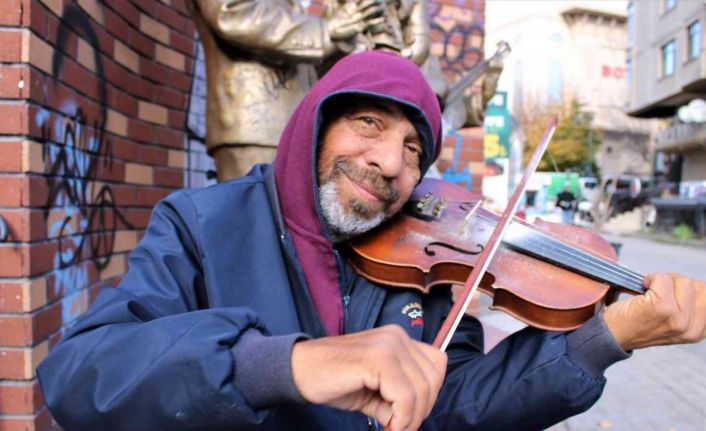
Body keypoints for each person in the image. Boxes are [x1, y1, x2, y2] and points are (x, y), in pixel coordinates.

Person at [37, 51, 706, 431]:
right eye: (367, 123)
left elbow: (458, 404)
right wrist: (288, 365)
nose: (391, 163)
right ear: (316, 125)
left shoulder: (422, 263)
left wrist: (607, 335)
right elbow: (81, 372)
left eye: (414, 149)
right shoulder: (200, 223)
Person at [189, 0, 386, 182]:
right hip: (254, 125)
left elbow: (302, 58)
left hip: (288, 123)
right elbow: (233, 14)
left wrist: (345, 39)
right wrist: (327, 30)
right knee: (250, 214)